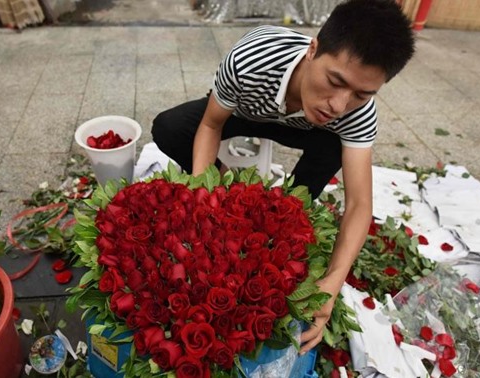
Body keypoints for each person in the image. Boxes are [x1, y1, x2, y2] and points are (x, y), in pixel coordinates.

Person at [152, 0, 415, 354]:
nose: (338, 104)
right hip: (247, 110)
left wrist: (332, 283)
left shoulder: (356, 112)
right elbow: (212, 124)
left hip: (308, 129)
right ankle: (231, 185)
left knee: (334, 148)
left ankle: (287, 210)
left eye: (361, 93)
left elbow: (359, 204)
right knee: (169, 127)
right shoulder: (252, 58)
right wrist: (207, 197)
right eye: (335, 81)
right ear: (313, 49)